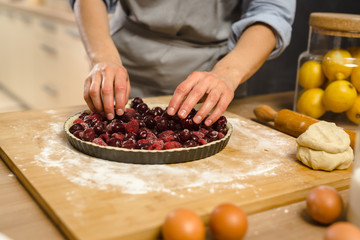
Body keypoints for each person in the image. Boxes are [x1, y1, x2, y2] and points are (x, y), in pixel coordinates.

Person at [70, 0, 296, 126]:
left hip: (215, 67)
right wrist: (104, 58)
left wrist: (226, 74)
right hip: (128, 58)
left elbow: (272, 12)